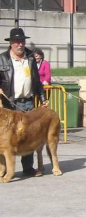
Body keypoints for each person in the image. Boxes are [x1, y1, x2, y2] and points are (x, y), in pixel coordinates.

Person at [0, 27, 47, 177]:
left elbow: (37, 81)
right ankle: (5, 169)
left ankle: (28, 168)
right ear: (11, 43)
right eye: (17, 42)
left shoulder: (31, 58)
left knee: (28, 135)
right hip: (9, 104)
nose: (20, 44)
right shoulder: (2, 59)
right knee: (6, 138)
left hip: (27, 102)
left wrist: (43, 99)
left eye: (22, 41)